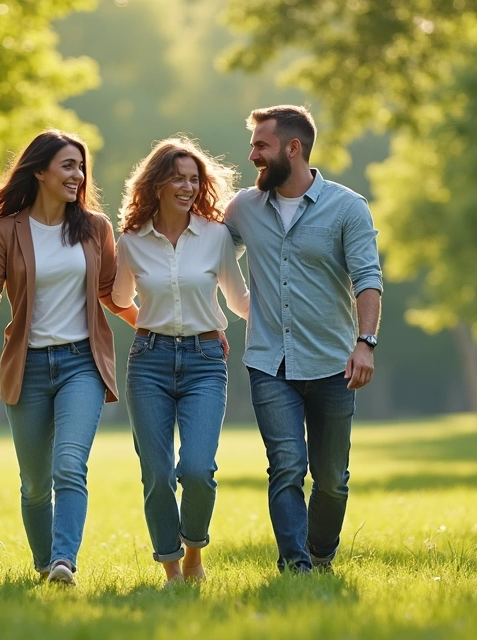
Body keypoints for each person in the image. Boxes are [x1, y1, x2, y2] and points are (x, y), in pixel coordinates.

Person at [0, 130, 138, 586]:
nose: (78, 175)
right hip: (29, 367)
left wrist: (160, 326)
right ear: (39, 171)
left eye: (81, 167)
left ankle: (63, 561)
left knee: (70, 464)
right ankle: (45, 566)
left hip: (83, 364)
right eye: (68, 166)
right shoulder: (7, 231)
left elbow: (111, 294)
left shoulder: (95, 228)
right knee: (35, 484)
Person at [224, 106, 383, 574]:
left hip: (334, 363)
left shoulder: (347, 207)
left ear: (293, 148)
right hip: (268, 362)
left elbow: (368, 279)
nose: (253, 155)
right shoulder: (243, 208)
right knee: (286, 466)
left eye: (261, 145)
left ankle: (319, 554)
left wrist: (366, 342)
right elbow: (206, 253)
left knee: (331, 479)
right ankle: (295, 566)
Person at [113, 137, 249, 587]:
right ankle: (172, 569)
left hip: (205, 361)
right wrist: (154, 323)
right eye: (178, 178)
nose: (188, 187)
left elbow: (239, 300)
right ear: (156, 184)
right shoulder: (131, 241)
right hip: (148, 363)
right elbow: (118, 298)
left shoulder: (215, 237)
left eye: (194, 179)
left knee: (197, 469)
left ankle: (193, 553)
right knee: (156, 473)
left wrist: (286, 314)